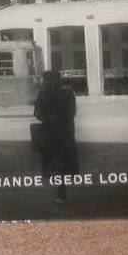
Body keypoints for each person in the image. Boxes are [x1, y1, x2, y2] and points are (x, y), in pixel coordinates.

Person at [33, 69, 78, 205]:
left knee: (57, 163)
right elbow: (72, 111)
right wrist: (51, 118)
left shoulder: (46, 93)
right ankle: (60, 190)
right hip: (61, 132)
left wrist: (50, 118)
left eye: (48, 80)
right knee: (60, 163)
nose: (46, 83)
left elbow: (37, 113)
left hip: (56, 132)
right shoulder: (65, 93)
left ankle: (61, 191)